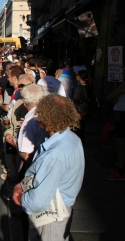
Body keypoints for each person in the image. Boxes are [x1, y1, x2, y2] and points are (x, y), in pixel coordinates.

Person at [13, 94, 84, 241]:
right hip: (61, 209)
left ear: (44, 120)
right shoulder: (71, 138)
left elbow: (38, 201)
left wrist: (22, 197)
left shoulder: (55, 155)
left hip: (50, 216)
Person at [105, 64, 125, 181]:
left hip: (124, 117)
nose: (122, 73)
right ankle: (123, 166)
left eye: (124, 71)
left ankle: (121, 171)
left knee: (121, 144)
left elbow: (110, 96)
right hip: (124, 115)